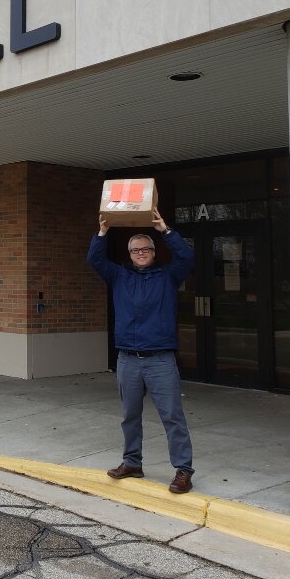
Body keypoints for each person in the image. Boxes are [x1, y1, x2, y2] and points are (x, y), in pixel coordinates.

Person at [88, 207, 196, 494]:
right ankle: (132, 462)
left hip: (160, 359)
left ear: (153, 251)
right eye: (136, 250)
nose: (141, 252)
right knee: (129, 415)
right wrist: (102, 232)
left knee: (172, 416)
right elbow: (94, 259)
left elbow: (187, 257)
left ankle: (183, 470)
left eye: (146, 248)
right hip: (127, 359)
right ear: (130, 253)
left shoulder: (168, 275)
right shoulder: (119, 276)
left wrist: (166, 231)